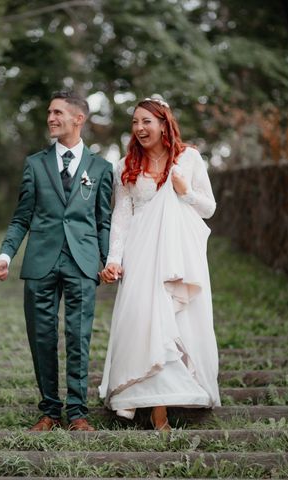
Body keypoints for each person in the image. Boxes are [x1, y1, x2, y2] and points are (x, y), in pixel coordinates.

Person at [0, 90, 113, 432]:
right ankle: (49, 411)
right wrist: (5, 254)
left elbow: (103, 221)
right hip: (40, 263)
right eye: (49, 112)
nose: (50, 118)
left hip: (82, 262)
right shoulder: (35, 164)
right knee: (42, 337)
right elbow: (21, 218)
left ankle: (77, 413)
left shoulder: (101, 169)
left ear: (79, 118)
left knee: (79, 336)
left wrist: (107, 260)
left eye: (58, 112)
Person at [98, 97, 220, 431]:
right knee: (142, 323)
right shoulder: (125, 164)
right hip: (140, 255)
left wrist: (185, 191)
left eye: (146, 121)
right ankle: (138, 396)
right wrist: (113, 260)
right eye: (135, 122)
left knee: (173, 326)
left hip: (178, 256)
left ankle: (161, 410)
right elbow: (121, 218)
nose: (139, 128)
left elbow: (208, 208)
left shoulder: (189, 158)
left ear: (164, 123)